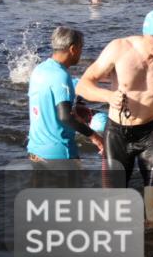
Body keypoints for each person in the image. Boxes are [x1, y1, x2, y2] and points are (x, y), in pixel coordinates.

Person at [76, 8, 153, 224]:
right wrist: (108, 95)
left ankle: (152, 249)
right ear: (144, 33)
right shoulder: (119, 49)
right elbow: (84, 85)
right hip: (117, 135)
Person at [27, 27, 105, 163]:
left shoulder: (39, 70)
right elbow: (65, 117)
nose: (81, 52)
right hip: (60, 156)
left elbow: (47, 107)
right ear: (73, 49)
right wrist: (95, 137)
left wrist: (74, 110)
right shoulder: (62, 76)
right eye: (81, 47)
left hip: (35, 153)